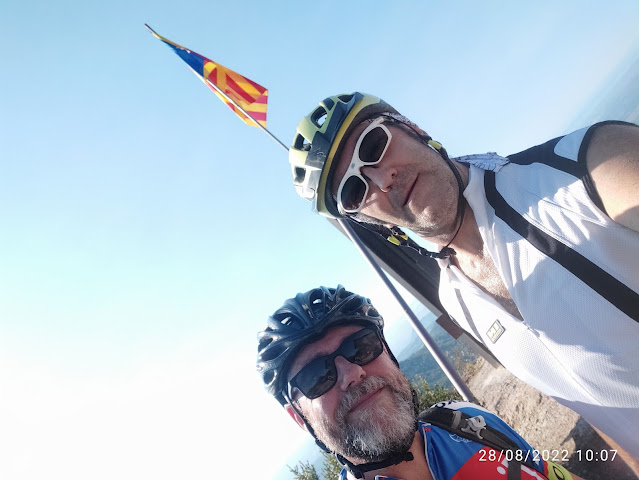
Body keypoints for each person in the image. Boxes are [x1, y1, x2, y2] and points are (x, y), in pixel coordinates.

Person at [287, 93, 639, 459]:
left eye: (373, 145)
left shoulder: (585, 167)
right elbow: (598, 407)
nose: (382, 180)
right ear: (370, 222)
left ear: (411, 127)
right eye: (355, 190)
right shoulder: (455, 298)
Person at [257, 285, 583, 480]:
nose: (353, 373)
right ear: (299, 418)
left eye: (361, 346)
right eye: (316, 376)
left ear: (389, 354)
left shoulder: (468, 422)